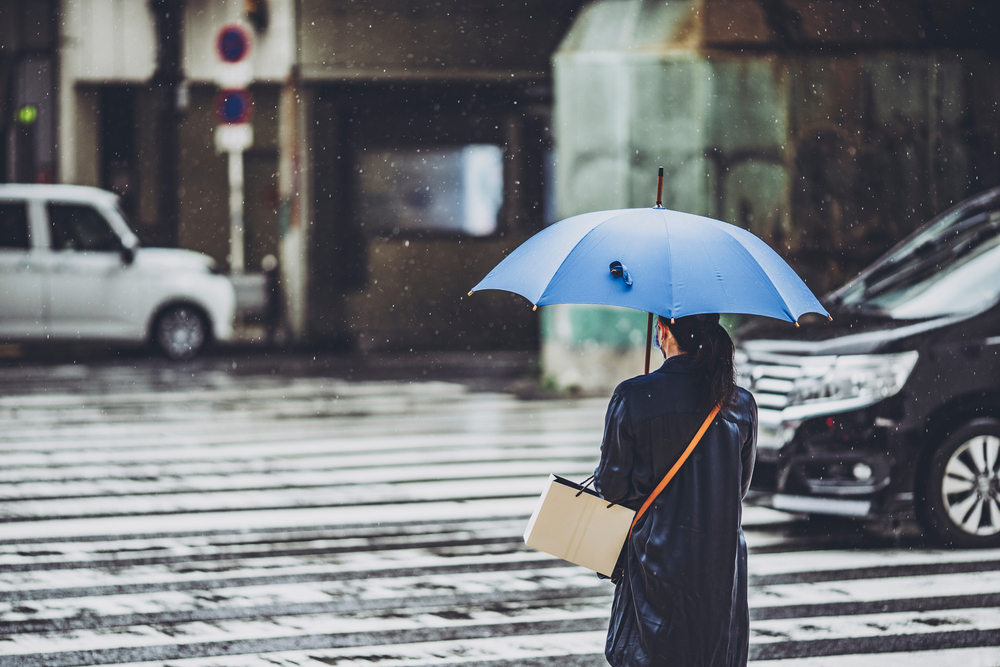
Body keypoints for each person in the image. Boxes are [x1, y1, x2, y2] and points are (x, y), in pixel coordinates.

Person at [594, 313, 757, 667]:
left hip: (654, 562)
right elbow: (737, 488)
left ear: (663, 330)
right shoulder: (740, 403)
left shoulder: (633, 396)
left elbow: (611, 488)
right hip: (719, 566)